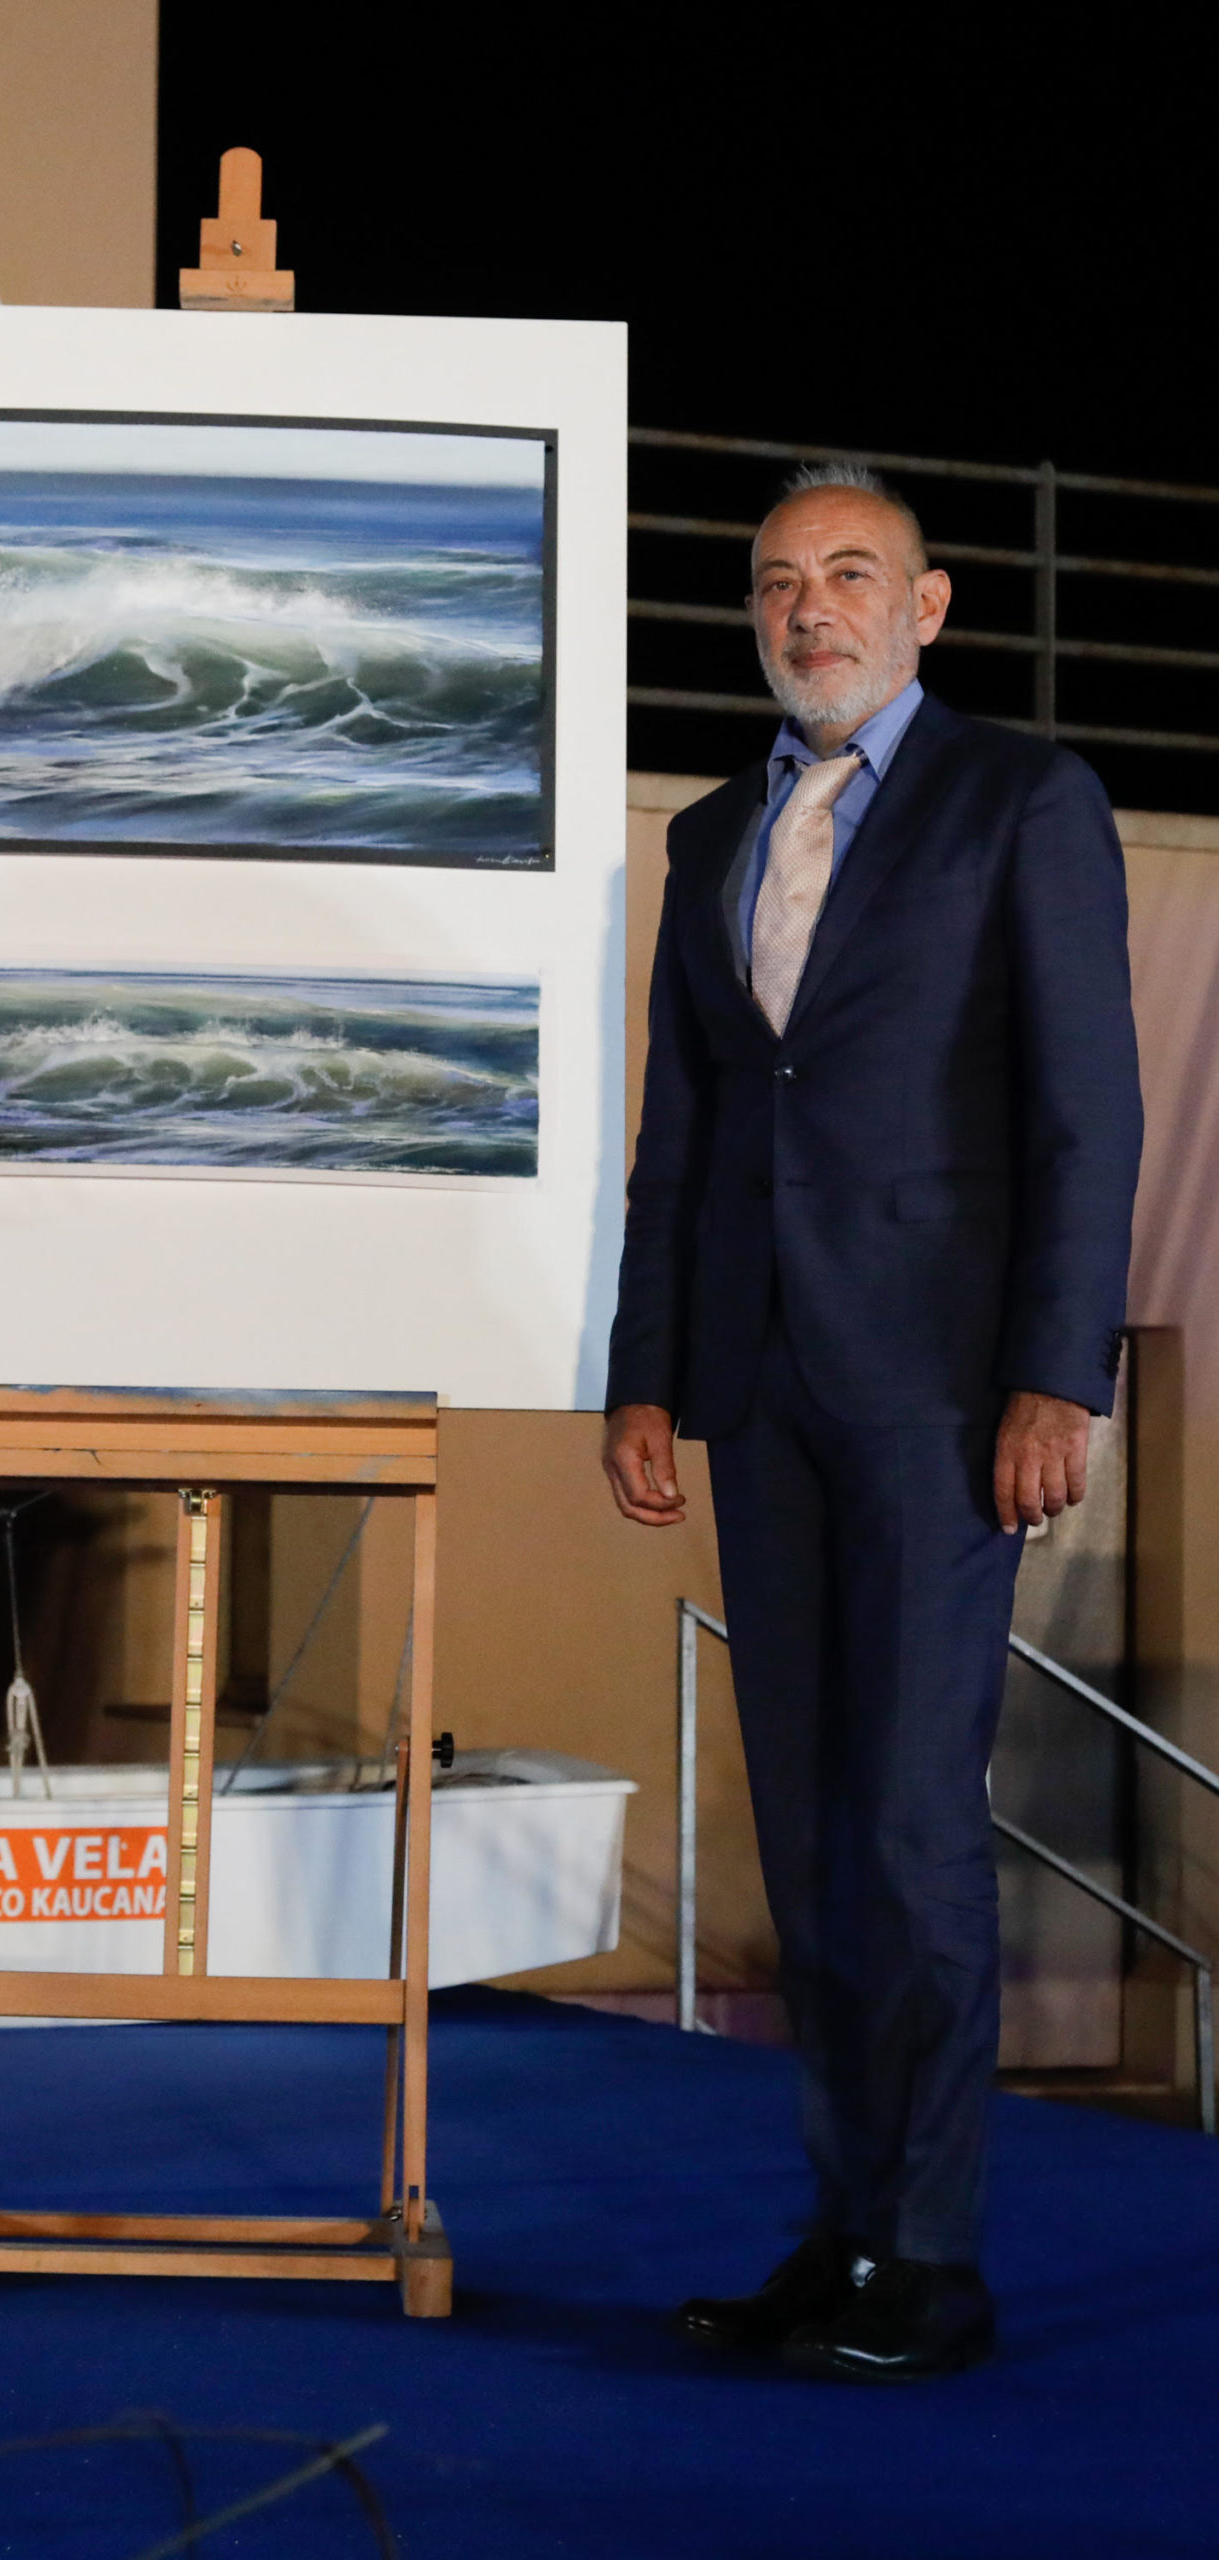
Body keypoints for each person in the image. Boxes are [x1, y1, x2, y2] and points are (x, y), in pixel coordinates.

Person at [602, 464, 1141, 2382]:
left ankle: (927, 2259)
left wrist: (1054, 1373)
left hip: (937, 1397)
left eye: (846, 575)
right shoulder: (706, 834)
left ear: (924, 607)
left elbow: (1083, 1108)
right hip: (756, 1390)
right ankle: (837, 2236)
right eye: (774, 582)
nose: (805, 608)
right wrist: (644, 1369)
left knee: (908, 1827)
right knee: (813, 1834)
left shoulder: (1021, 799)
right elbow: (682, 1131)